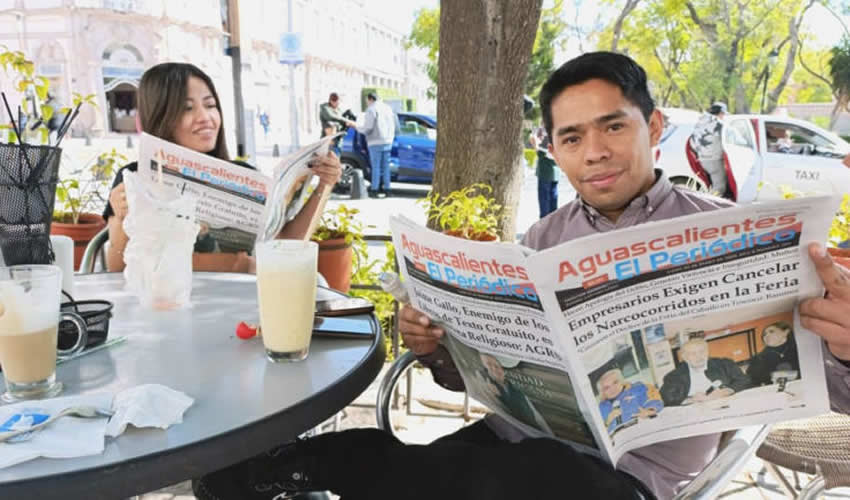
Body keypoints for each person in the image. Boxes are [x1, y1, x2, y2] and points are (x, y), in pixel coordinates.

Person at [192, 51, 850, 500]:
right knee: (372, 456)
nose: (593, 151)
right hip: (511, 448)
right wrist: (436, 348)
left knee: (513, 475)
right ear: (554, 148)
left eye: (613, 126)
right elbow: (482, 378)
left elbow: (833, 388)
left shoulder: (733, 236)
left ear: (653, 125)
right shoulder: (544, 239)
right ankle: (265, 471)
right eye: (570, 137)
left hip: (623, 480)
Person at [102, 63, 341, 274]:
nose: (205, 117)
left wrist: (325, 184)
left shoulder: (243, 174)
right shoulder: (134, 177)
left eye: (210, 105)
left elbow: (289, 245)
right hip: (164, 310)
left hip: (238, 308)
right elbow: (116, 268)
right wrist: (231, 265)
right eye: (187, 108)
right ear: (160, 115)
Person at [660, 339, 751, 406]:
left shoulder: (724, 364)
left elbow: (744, 380)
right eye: (693, 353)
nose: (699, 356)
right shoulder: (674, 376)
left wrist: (725, 391)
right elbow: (666, 399)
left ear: (707, 352)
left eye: (702, 351)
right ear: (684, 357)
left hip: (727, 405)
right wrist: (691, 399)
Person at [478, 352, 552, 433]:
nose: (494, 370)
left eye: (496, 366)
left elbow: (536, 416)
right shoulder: (491, 388)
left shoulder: (516, 389)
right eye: (489, 367)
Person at [597, 369, 663, 435]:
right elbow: (599, 432)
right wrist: (607, 422)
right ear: (602, 392)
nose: (613, 388)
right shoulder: (600, 408)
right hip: (618, 439)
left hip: (644, 430)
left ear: (621, 381)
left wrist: (649, 410)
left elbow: (655, 400)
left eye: (615, 382)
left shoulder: (638, 388)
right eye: (606, 388)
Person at [356, 92, 396, 198]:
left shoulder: (371, 109)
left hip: (375, 141)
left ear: (370, 99)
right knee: (386, 167)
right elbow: (394, 125)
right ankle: (387, 189)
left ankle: (375, 189)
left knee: (376, 167)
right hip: (388, 141)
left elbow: (368, 127)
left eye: (367, 101)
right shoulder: (388, 108)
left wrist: (357, 127)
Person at [689, 102, 728, 198]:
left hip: (702, 159)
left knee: (713, 185)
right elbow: (730, 138)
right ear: (721, 113)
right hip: (714, 160)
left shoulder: (700, 122)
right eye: (724, 114)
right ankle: (711, 208)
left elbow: (692, 141)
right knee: (719, 188)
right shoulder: (718, 124)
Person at [746, 321, 799, 387]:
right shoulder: (758, 359)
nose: (766, 336)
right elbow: (749, 382)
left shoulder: (800, 348)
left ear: (786, 332)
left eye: (771, 331)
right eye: (764, 334)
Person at [529, 125, 559, 218]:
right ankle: (553, 222)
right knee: (553, 195)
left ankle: (545, 223)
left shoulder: (544, 129)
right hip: (555, 167)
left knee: (544, 197)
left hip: (545, 167)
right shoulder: (556, 128)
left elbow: (532, 137)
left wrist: (536, 148)